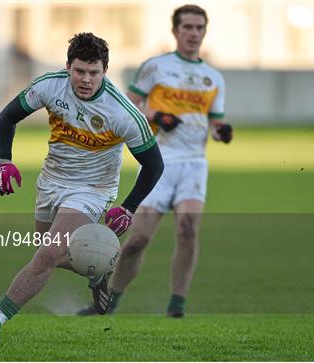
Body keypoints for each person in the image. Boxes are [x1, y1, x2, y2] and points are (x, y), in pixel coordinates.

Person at [0, 32, 164, 342]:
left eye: (94, 72)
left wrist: (128, 207)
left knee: (48, 254)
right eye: (79, 71)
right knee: (46, 253)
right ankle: (98, 269)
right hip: (51, 182)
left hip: (91, 189)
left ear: (105, 71)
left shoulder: (123, 113)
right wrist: (3, 160)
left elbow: (154, 164)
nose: (86, 79)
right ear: (68, 67)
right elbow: (8, 116)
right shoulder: (50, 85)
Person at [77, 5, 232, 318]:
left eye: (199, 27)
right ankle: (110, 300)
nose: (193, 33)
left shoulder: (213, 77)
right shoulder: (155, 67)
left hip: (194, 164)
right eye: (187, 27)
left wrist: (222, 131)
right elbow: (127, 105)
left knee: (188, 229)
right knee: (139, 239)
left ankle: (177, 305)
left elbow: (214, 123)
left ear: (205, 32)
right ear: (175, 31)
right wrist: (156, 115)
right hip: (159, 160)